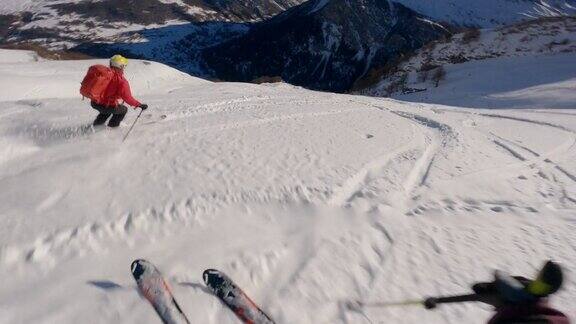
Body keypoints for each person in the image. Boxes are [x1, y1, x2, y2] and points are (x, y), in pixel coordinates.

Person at [91, 55, 148, 127]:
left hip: (95, 102)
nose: (124, 68)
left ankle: (96, 126)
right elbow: (128, 98)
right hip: (105, 105)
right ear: (120, 66)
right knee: (123, 110)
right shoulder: (121, 81)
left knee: (107, 111)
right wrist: (139, 105)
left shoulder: (103, 74)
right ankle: (112, 128)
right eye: (123, 66)